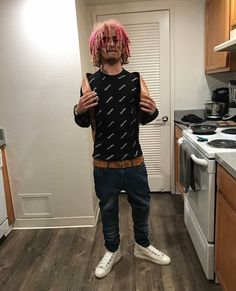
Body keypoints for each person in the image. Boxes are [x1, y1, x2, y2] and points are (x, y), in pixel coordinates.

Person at [73, 19, 171, 279]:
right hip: (104, 165)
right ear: (97, 47)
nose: (112, 44)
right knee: (107, 210)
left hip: (134, 161)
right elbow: (83, 121)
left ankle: (142, 245)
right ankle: (112, 250)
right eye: (105, 40)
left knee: (142, 206)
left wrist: (154, 111)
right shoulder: (89, 82)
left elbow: (146, 116)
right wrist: (78, 109)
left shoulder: (135, 80)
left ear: (124, 45)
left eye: (116, 40)